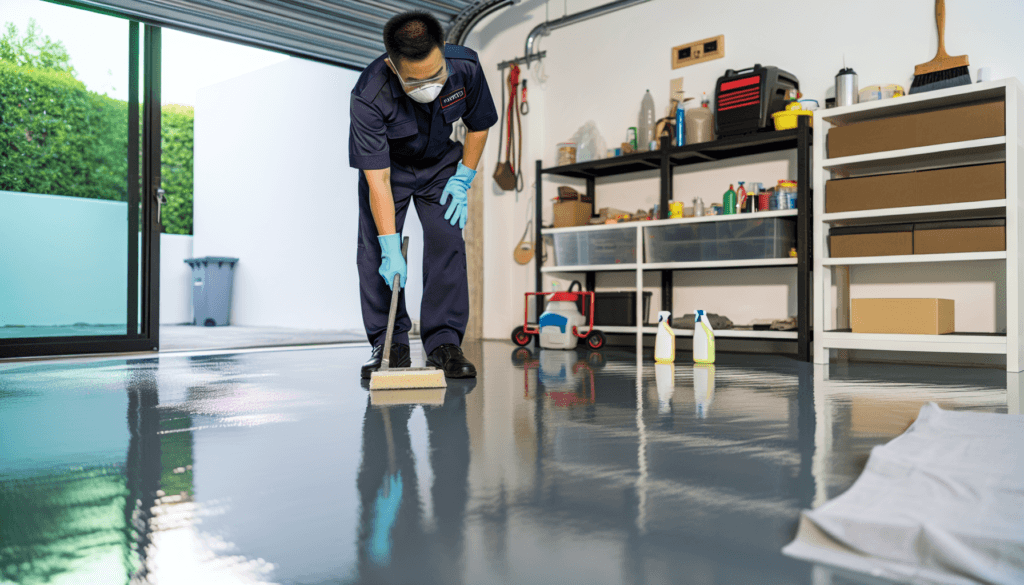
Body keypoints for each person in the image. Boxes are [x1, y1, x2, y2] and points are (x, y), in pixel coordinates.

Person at [349, 11, 497, 380]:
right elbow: (378, 180)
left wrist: (463, 178)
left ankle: (444, 343)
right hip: (390, 172)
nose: (430, 84)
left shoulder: (466, 67)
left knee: (447, 241)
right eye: (417, 81)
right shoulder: (369, 95)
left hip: (440, 167)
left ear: (443, 51)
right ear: (393, 67)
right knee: (375, 255)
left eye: (436, 73)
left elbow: (479, 126)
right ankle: (390, 344)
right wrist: (389, 246)